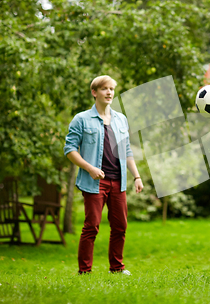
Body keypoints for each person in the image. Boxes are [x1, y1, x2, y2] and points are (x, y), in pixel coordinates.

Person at [64, 75, 144, 275]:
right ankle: (85, 271)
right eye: (104, 89)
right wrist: (90, 168)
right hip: (94, 183)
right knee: (92, 226)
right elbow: (70, 150)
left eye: (111, 89)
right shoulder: (81, 119)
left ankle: (116, 268)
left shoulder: (121, 119)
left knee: (120, 226)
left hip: (118, 182)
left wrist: (137, 176)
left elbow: (126, 150)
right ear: (94, 92)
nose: (109, 92)